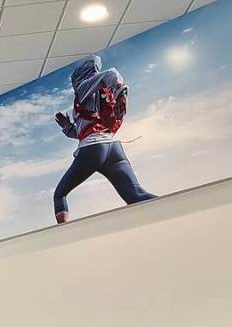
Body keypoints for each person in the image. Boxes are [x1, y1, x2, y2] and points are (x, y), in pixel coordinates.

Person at [52, 55, 156, 224]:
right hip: (113, 148)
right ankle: (180, 209)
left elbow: (112, 74)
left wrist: (121, 92)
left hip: (93, 149)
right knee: (135, 195)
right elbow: (82, 132)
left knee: (60, 194)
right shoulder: (100, 94)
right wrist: (67, 127)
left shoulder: (83, 88)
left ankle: (63, 234)